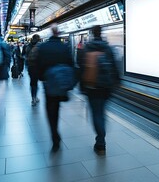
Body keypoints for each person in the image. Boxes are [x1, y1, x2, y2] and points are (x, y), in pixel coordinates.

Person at [78, 25, 119, 155]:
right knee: (101, 112)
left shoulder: (86, 48)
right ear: (101, 33)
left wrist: (82, 86)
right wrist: (117, 83)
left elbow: (81, 68)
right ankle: (101, 138)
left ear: (91, 34)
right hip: (106, 86)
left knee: (96, 114)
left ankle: (100, 142)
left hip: (91, 87)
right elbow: (114, 67)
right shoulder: (108, 48)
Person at [37, 24, 74, 152]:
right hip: (61, 83)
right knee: (57, 108)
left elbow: (39, 65)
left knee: (50, 109)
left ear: (50, 33)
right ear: (58, 33)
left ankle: (55, 136)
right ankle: (56, 131)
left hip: (48, 83)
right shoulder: (64, 47)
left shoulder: (43, 47)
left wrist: (42, 77)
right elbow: (71, 64)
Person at [24, 34, 41, 106]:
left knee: (32, 83)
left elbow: (25, 56)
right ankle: (35, 96)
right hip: (38, 67)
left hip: (31, 67)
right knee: (36, 83)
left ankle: (33, 98)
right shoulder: (40, 46)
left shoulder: (27, 46)